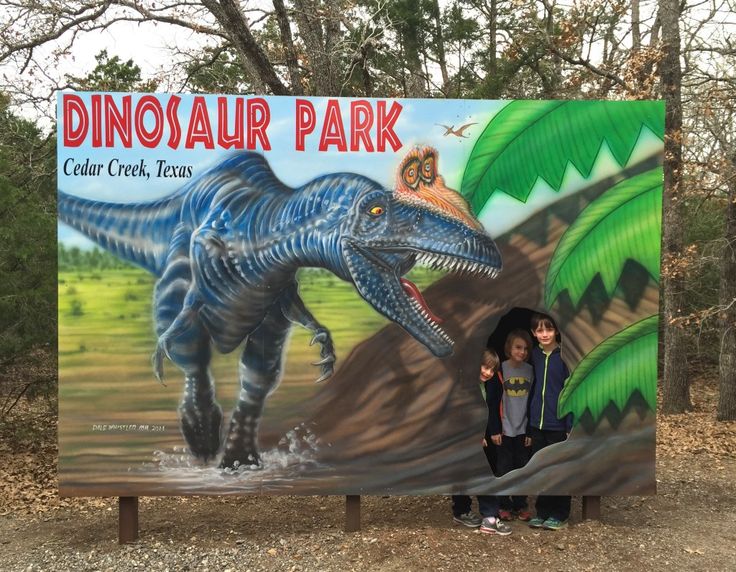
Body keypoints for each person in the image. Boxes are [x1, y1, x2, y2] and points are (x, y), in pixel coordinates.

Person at [452, 349, 512, 536]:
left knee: (472, 473)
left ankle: (463, 511)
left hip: (476, 436)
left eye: (492, 370)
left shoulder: (485, 385)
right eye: (485, 367)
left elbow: (486, 410)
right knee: (480, 473)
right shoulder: (465, 385)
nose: (487, 372)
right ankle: (490, 517)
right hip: (463, 437)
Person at [526, 313, 572, 531]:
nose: (544, 334)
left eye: (549, 329)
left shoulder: (564, 355)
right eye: (539, 330)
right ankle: (542, 511)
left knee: (558, 469)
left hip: (558, 423)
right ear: (534, 334)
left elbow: (571, 391)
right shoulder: (534, 355)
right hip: (537, 423)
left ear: (556, 331)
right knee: (541, 468)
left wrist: (570, 424)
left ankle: (560, 513)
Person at [496, 329, 533, 521]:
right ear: (509, 348)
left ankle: (520, 504)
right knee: (504, 466)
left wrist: (530, 429)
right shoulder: (500, 369)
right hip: (505, 427)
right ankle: (503, 504)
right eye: (518, 347)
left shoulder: (530, 370)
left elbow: (533, 400)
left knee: (522, 466)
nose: (522, 352)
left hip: (523, 428)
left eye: (526, 348)